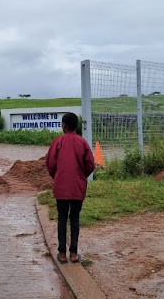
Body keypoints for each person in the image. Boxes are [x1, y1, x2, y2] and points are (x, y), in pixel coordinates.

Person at [45, 112, 95, 264]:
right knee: (74, 219)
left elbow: (50, 164)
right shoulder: (82, 142)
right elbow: (90, 165)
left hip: (61, 188)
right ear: (76, 125)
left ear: (64, 125)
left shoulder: (58, 142)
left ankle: (61, 253)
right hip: (78, 188)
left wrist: (58, 176)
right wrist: (81, 176)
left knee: (62, 219)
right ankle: (73, 253)